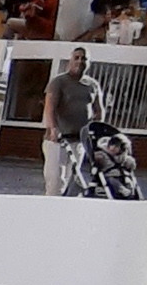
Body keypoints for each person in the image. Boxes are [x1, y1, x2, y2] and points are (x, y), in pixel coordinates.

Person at [43, 47, 103, 196]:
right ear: (70, 60)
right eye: (76, 57)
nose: (79, 61)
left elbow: (99, 110)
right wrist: (53, 129)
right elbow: (49, 108)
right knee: (56, 182)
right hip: (58, 141)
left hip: (79, 141)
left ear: (88, 63)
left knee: (73, 180)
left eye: (84, 58)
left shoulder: (92, 85)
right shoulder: (59, 82)